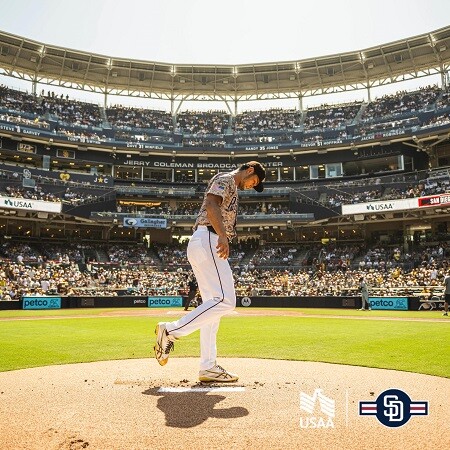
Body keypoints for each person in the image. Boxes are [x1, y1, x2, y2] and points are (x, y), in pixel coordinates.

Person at [154, 161, 266, 382]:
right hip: (209, 238)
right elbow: (211, 205)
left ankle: (208, 367)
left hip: (205, 240)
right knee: (226, 301)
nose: (252, 186)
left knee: (212, 308)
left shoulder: (232, 186)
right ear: (250, 170)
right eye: (254, 182)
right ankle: (170, 331)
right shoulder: (226, 179)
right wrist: (223, 235)